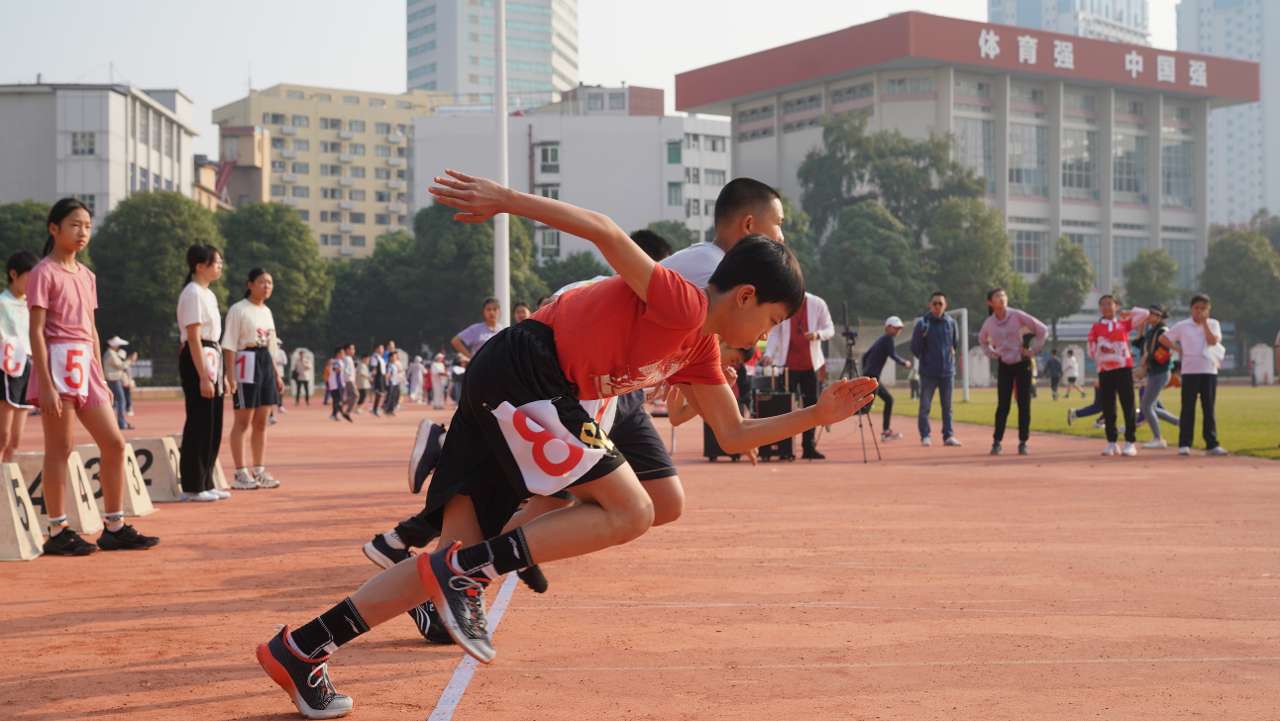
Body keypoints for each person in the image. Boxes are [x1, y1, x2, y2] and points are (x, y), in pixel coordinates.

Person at [255, 170, 877, 718]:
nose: (765, 336)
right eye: (769, 321)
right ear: (744, 296)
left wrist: (816, 414)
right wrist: (504, 199)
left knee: (448, 558)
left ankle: (301, 648)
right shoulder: (685, 302)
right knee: (632, 509)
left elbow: (736, 434)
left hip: (514, 388)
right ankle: (465, 572)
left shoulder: (701, 347)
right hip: (530, 370)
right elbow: (606, 232)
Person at [371, 178, 788, 632]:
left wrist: (706, 390)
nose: (783, 236)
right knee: (568, 495)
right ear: (750, 226)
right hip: (572, 372)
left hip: (615, 384)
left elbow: (723, 423)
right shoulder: (709, 272)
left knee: (654, 500)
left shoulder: (710, 304)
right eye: (779, 225)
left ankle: (453, 556)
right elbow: (606, 238)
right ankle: (455, 562)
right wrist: (507, 201)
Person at [28, 198, 158, 555]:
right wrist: (47, 383)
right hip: (56, 364)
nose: (82, 232)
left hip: (85, 366)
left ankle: (113, 526)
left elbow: (92, 328)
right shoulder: (44, 272)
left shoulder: (87, 276)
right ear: (54, 228)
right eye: (74, 224)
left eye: (86, 225)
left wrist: (98, 375)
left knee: (115, 443)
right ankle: (57, 530)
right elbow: (36, 331)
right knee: (61, 448)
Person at [176, 245, 230, 502]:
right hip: (199, 356)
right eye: (216, 262)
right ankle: (193, 484)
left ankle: (206, 480)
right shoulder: (193, 293)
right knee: (199, 421)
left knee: (213, 422)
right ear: (200, 265)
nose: (220, 266)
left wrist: (221, 374)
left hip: (213, 354)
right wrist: (203, 376)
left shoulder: (208, 294)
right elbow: (194, 337)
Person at [224, 267, 285, 489]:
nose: (267, 286)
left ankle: (259, 470)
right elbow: (229, 344)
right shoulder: (238, 310)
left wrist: (277, 374)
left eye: (270, 283)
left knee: (262, 422)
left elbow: (272, 345)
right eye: (262, 282)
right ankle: (240, 472)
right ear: (249, 284)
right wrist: (230, 376)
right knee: (243, 421)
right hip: (245, 360)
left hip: (265, 362)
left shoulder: (267, 312)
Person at [762, 290, 834, 459]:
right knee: (784, 408)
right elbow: (774, 333)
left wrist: (818, 335)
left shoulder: (817, 303)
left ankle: (808, 447)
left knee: (812, 407)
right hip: (787, 367)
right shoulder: (784, 304)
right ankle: (785, 448)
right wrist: (769, 354)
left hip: (811, 366)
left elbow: (830, 329)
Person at [977, 288, 1047, 456]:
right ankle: (996, 442)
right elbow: (982, 339)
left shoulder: (1017, 315)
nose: (1001, 298)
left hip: (1022, 363)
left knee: (1024, 403)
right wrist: (990, 352)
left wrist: (1033, 350)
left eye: (1003, 295)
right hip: (1005, 365)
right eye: (997, 296)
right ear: (990, 303)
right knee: (1003, 404)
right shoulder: (989, 323)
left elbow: (1042, 330)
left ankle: (1023, 442)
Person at [1160, 293, 1227, 456]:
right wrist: (1177, 349)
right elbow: (1163, 338)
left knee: (1208, 408)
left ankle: (1212, 444)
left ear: (1208, 309)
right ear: (1191, 309)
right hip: (1190, 371)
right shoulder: (1183, 325)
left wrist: (1204, 324)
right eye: (1197, 308)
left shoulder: (1214, 324)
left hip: (1209, 370)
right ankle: (1184, 444)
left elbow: (1213, 341)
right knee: (1188, 408)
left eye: (1203, 308)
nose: (1199, 311)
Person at [1087, 296, 1148, 457]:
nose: (1106, 307)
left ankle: (1130, 442)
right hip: (1105, 371)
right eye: (1103, 304)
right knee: (1108, 407)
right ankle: (1111, 442)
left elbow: (1145, 314)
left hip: (1124, 369)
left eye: (1110, 304)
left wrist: (1129, 312)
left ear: (1116, 306)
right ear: (1100, 308)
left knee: (1128, 404)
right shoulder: (1096, 327)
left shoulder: (1124, 324)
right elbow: (1091, 349)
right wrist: (1101, 352)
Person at [910, 291, 962, 447]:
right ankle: (925, 435)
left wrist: (948, 360)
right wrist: (927, 359)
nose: (938, 306)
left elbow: (955, 343)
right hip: (928, 373)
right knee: (925, 406)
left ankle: (948, 435)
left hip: (947, 372)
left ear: (945, 305)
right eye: (935, 303)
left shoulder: (951, 323)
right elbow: (915, 347)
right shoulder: (923, 324)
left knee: (947, 407)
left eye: (941, 303)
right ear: (929, 305)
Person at [0, 251, 38, 462]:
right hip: (7, 368)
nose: (32, 284)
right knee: (3, 436)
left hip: (28, 366)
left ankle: (7, 481)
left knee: (16, 438)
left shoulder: (32, 305)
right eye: (29, 277)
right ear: (13, 274)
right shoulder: (2, 303)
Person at [860, 316, 913, 441]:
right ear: (888, 327)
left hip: (870, 375)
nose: (898, 331)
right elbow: (892, 355)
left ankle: (885, 431)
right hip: (872, 376)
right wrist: (904, 362)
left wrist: (865, 372)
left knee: (886, 401)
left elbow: (865, 356)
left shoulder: (881, 340)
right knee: (865, 408)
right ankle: (833, 416)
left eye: (899, 328)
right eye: (896, 328)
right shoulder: (888, 339)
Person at [1136, 304, 1175, 449]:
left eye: (1150, 314)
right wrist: (1140, 328)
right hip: (1154, 372)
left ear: (1158, 316)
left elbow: (1165, 354)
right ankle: (1180, 423)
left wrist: (1147, 360)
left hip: (1160, 372)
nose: (1148, 316)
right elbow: (1139, 344)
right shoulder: (1152, 331)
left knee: (1146, 406)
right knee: (1151, 406)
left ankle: (1158, 438)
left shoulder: (1162, 331)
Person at [102, 336, 131, 430]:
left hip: (113, 379)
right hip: (113, 380)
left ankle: (115, 423)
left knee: (114, 402)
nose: (119, 347)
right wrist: (130, 360)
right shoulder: (111, 354)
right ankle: (121, 423)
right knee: (121, 401)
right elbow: (121, 366)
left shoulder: (111, 353)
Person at [327, 347, 349, 422]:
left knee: (337, 400)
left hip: (338, 383)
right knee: (337, 400)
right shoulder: (336, 362)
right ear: (338, 354)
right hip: (337, 384)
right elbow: (336, 370)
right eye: (343, 353)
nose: (344, 354)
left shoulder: (338, 361)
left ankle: (335, 414)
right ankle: (334, 414)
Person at [270, 340, 288, 424]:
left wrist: (276, 362)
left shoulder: (281, 352)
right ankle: (270, 414)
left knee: (280, 390)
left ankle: (280, 405)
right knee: (270, 393)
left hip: (279, 373)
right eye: (276, 344)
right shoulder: (268, 350)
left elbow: (285, 361)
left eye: (278, 344)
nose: (277, 345)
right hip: (269, 374)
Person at [369, 344, 387, 417]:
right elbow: (374, 368)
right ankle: (375, 409)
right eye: (380, 348)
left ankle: (375, 408)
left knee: (381, 393)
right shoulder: (375, 357)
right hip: (378, 377)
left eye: (383, 348)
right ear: (376, 349)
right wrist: (372, 377)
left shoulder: (381, 358)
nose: (382, 350)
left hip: (382, 376)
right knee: (379, 393)